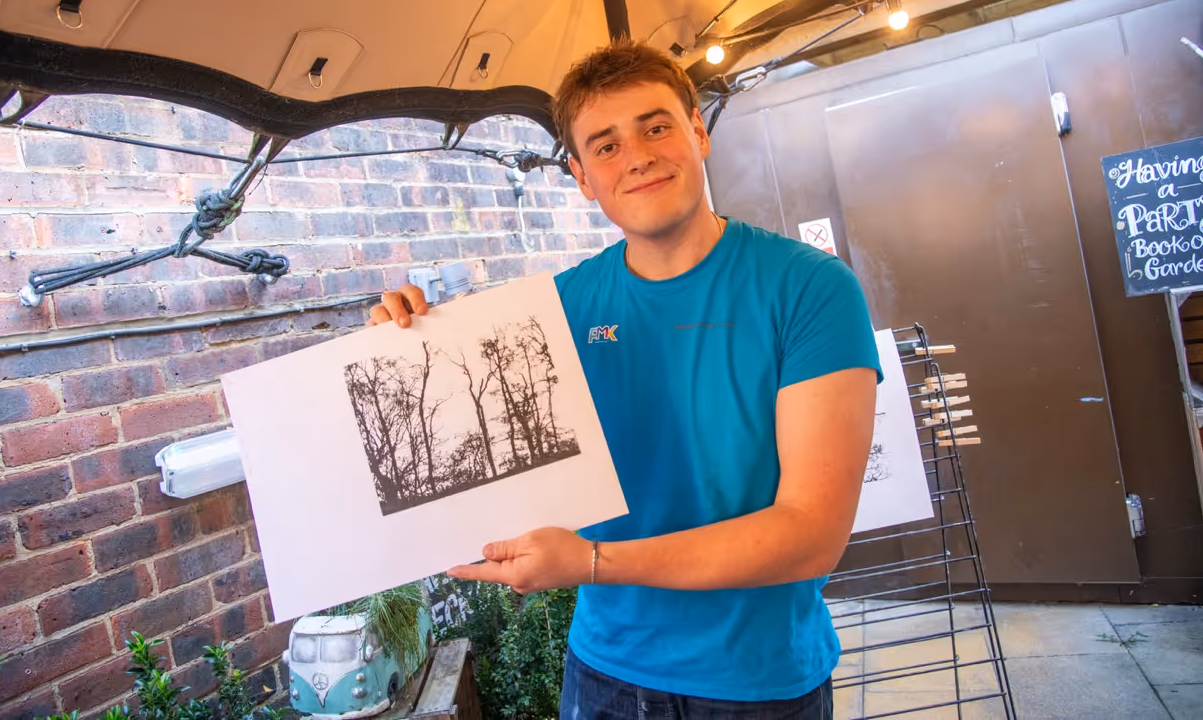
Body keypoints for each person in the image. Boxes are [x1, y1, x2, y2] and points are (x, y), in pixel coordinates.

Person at [368, 39, 880, 719]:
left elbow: (811, 532)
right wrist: (404, 348)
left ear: (697, 131)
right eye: (605, 145)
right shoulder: (557, 310)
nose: (636, 155)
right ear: (581, 175)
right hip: (604, 673)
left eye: (656, 125)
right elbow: (484, 463)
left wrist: (593, 562)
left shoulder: (811, 289)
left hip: (757, 681)